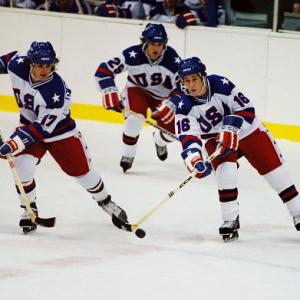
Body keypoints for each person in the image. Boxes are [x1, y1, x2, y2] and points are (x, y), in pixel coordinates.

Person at [0, 41, 128, 234]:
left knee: (83, 173)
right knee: (21, 166)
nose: (44, 70)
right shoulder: (17, 63)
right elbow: (4, 61)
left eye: (48, 65)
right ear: (30, 62)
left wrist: (14, 143)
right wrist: (15, 146)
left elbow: (42, 129)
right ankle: (28, 210)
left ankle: (106, 202)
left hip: (61, 133)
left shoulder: (57, 90)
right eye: (40, 65)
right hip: (28, 125)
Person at [174, 57, 300, 242]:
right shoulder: (184, 107)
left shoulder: (220, 85)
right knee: (225, 174)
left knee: (275, 173)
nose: (191, 85)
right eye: (186, 81)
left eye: (194, 79)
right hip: (216, 140)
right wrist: (194, 160)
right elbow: (188, 138)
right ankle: (230, 219)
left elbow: (247, 109)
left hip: (248, 131)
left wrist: (231, 127)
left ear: (203, 77)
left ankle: (297, 212)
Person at [94, 23, 182, 173]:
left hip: (163, 97)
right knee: (135, 119)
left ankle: (158, 140)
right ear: (145, 43)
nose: (156, 48)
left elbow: (183, 87)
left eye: (159, 44)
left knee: (173, 133)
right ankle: (128, 155)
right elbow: (104, 69)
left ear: (164, 44)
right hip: (137, 90)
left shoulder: (173, 60)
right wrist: (109, 90)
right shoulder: (132, 54)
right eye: (152, 44)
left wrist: (172, 103)